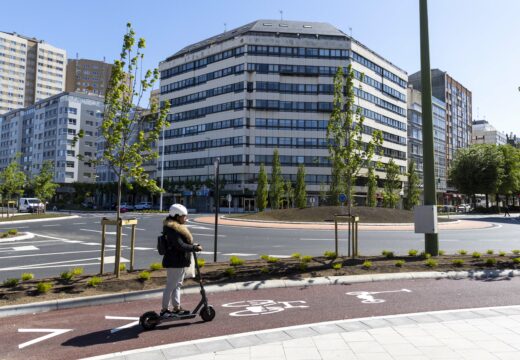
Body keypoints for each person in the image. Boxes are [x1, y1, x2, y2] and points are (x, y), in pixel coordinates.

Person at [161, 203, 202, 317]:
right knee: (170, 286)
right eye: (184, 216)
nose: (186, 218)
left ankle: (176, 308)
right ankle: (164, 310)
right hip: (174, 261)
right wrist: (194, 247)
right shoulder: (172, 229)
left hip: (178, 260)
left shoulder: (174, 227)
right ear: (177, 216)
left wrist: (193, 245)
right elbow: (180, 245)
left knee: (177, 285)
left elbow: (182, 244)